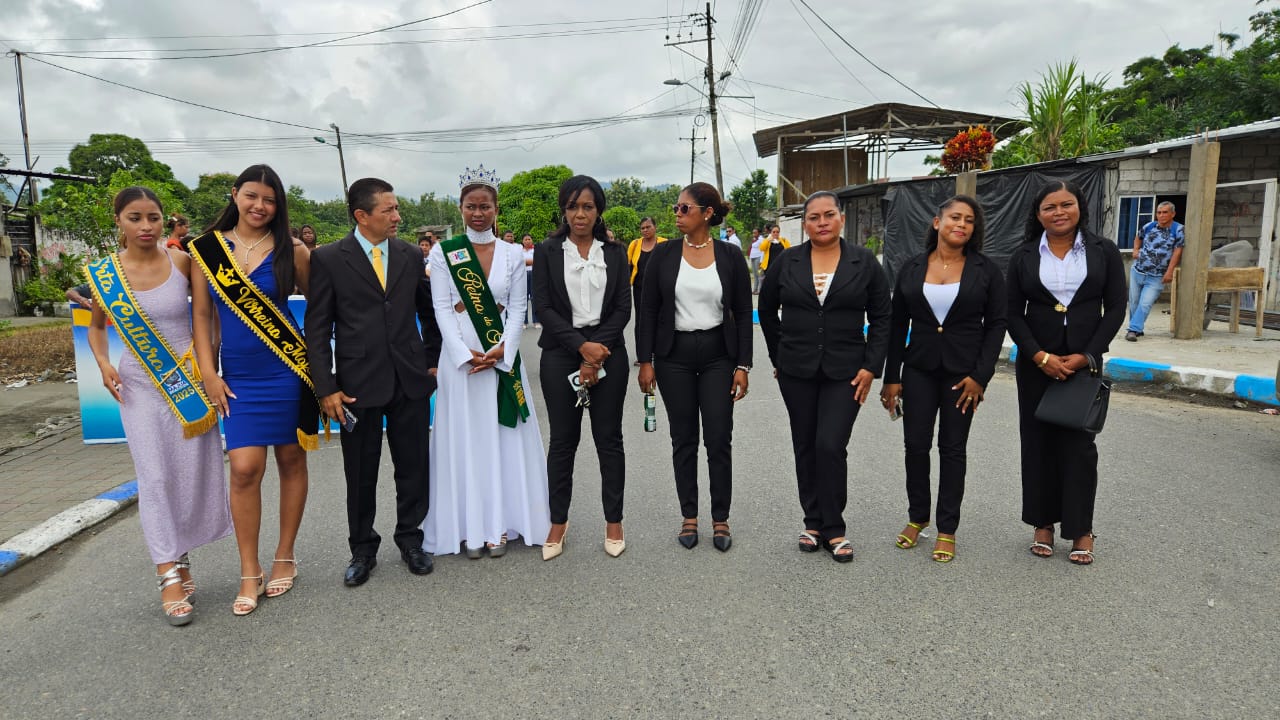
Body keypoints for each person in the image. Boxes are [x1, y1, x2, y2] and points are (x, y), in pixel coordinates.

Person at [86, 186, 231, 625]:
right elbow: (96, 327)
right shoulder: (106, 274)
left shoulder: (183, 262)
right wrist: (103, 362)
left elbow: (208, 317)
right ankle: (167, 572)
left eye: (153, 217)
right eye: (135, 218)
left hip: (187, 384)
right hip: (139, 388)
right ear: (118, 221)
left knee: (188, 475)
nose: (146, 226)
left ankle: (181, 557)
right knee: (154, 477)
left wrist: (210, 365)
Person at [189, 164, 314, 616]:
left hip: (288, 370)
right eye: (252, 196)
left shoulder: (292, 250)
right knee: (243, 468)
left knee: (291, 459)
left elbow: (320, 307)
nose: (260, 206)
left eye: (269, 200)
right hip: (238, 376)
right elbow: (202, 315)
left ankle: (284, 555)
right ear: (235, 195)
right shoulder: (207, 249)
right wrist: (208, 372)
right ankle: (248, 570)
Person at [305, 177, 442, 586]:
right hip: (356, 385)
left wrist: (431, 362)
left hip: (409, 380)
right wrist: (326, 387)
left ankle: (411, 540)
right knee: (361, 472)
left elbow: (428, 312)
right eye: (389, 210)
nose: (398, 216)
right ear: (362, 215)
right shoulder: (329, 258)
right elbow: (317, 328)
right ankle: (362, 550)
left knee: (413, 466)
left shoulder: (409, 254)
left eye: (397, 208)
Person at [422, 166, 550, 558]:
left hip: (500, 354)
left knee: (502, 434)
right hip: (461, 356)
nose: (478, 213)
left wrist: (503, 351)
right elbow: (441, 308)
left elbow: (517, 307)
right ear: (460, 208)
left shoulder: (512, 254)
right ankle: (468, 525)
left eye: (485, 207)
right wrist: (463, 355)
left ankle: (501, 524)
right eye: (471, 207)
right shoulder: (445, 252)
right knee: (466, 437)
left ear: (496, 209)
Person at [758, 191, 890, 563]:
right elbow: (766, 311)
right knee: (805, 444)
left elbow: (883, 317)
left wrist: (871, 366)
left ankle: (834, 527)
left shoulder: (863, 262)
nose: (822, 222)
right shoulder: (787, 261)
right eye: (814, 217)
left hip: (847, 371)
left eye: (829, 214)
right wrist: (779, 355)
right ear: (805, 224)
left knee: (830, 444)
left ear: (841, 218)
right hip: (796, 370)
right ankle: (812, 522)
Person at [879, 195, 1007, 563]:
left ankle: (947, 528)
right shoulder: (912, 267)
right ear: (937, 222)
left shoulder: (986, 270)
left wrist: (980, 376)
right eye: (955, 217)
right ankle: (917, 517)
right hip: (918, 369)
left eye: (969, 220)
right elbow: (897, 325)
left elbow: (997, 324)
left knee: (953, 449)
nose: (961, 224)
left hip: (963, 375)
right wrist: (892, 377)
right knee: (915, 446)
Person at [1007, 180, 1125, 565]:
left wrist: (1088, 355)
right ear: (1038, 214)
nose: (1059, 212)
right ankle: (1041, 524)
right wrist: (1039, 356)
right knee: (1036, 443)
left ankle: (1081, 529)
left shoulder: (1104, 251)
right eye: (1049, 207)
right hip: (1036, 363)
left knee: (1079, 448)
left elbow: (1116, 307)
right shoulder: (1023, 255)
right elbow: (1012, 313)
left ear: (1080, 207)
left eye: (1066, 204)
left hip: (1083, 363)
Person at [636, 182, 752, 552]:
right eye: (676, 207)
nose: (677, 213)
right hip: (674, 357)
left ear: (707, 213)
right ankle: (689, 515)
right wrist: (645, 361)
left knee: (718, 438)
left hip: (719, 355)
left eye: (684, 208)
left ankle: (720, 518)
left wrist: (743, 364)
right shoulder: (664, 254)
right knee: (683, 438)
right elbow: (648, 310)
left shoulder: (730, 255)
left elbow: (743, 312)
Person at [532, 175, 631, 560]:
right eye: (572, 206)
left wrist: (596, 351)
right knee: (562, 441)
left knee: (609, 440)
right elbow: (543, 307)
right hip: (561, 352)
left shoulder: (616, 253)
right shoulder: (548, 251)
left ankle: (614, 521)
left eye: (587, 206)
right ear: (564, 209)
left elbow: (623, 307)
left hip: (608, 352)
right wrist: (580, 347)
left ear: (598, 210)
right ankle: (558, 521)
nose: (579, 214)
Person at [1126, 201, 1184, 341]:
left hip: (1157, 276)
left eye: (1165, 212)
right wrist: (1135, 250)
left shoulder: (1178, 229)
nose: (1161, 215)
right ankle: (1137, 329)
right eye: (1159, 212)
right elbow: (1138, 237)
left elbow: (1178, 251)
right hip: (1138, 271)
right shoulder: (1149, 226)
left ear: (1173, 214)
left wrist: (1170, 272)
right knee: (1134, 302)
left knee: (1145, 303)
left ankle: (1133, 330)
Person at [626, 217, 667, 351]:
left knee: (659, 319)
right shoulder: (635, 244)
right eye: (642, 228)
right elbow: (628, 266)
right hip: (639, 290)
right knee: (641, 321)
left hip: (659, 289)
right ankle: (642, 353)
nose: (645, 230)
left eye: (648, 227)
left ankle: (658, 351)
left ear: (655, 227)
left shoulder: (664, 243)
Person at [522, 233, 539, 327]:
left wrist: (525, 262)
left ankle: (536, 321)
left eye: (529, 239)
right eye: (526, 239)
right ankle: (524, 322)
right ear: (522, 241)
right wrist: (531, 262)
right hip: (522, 275)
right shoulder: (519, 251)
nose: (528, 241)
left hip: (534, 274)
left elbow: (539, 261)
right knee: (523, 298)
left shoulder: (536, 250)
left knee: (534, 298)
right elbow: (518, 263)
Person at [748, 228, 764, 293]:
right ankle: (755, 289)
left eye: (755, 233)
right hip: (753, 258)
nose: (753, 234)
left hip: (758, 258)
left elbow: (763, 250)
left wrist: (761, 260)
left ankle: (759, 290)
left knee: (759, 274)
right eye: (753, 233)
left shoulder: (761, 240)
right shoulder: (754, 239)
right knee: (755, 274)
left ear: (759, 233)